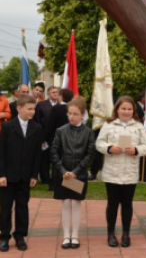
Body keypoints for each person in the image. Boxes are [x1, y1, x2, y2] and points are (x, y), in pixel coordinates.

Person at [96, 95, 146, 248]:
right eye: (123, 108)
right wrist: (109, 148)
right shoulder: (108, 124)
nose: (126, 112)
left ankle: (126, 234)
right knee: (112, 204)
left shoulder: (139, 127)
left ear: (133, 111)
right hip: (112, 171)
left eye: (129, 109)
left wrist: (136, 150)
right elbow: (99, 143)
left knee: (127, 204)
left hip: (130, 172)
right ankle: (111, 233)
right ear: (117, 109)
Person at [51, 98, 95, 249]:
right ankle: (66, 236)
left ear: (82, 115)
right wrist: (63, 171)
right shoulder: (60, 131)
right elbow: (54, 152)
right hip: (63, 174)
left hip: (79, 175)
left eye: (75, 114)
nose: (71, 116)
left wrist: (76, 172)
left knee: (75, 203)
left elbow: (90, 154)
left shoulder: (88, 133)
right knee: (65, 203)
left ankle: (75, 235)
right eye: (69, 113)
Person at [0, 95, 42, 252]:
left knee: (22, 207)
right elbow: (1, 152)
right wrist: (1, 174)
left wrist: (34, 175)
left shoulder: (37, 128)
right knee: (5, 207)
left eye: (34, 109)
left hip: (25, 176)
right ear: (19, 108)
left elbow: (37, 154)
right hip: (8, 176)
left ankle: (20, 236)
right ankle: (4, 236)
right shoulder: (8, 127)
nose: (32, 112)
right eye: (29, 109)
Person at [34, 86, 59, 185]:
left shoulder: (61, 105)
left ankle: (55, 179)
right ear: (48, 94)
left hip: (58, 136)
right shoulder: (41, 105)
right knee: (45, 159)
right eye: (53, 92)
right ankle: (45, 179)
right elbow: (37, 120)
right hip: (45, 136)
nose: (55, 94)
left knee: (56, 158)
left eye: (57, 92)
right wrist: (41, 137)